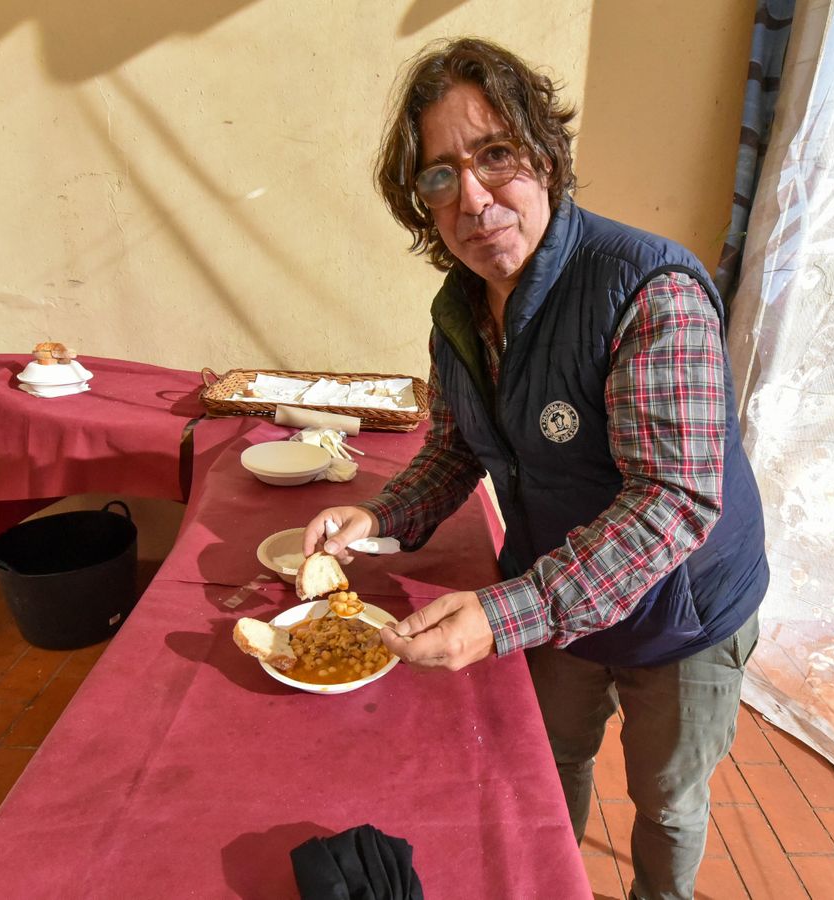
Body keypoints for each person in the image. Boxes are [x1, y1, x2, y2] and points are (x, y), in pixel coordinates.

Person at [302, 37, 768, 900]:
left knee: (667, 799)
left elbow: (674, 500)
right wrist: (379, 517)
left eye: (495, 156)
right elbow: (453, 446)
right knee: (552, 767)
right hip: (558, 599)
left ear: (546, 157)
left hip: (685, 609)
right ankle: (559, 881)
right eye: (440, 176)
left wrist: (509, 611)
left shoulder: (648, 290)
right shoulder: (460, 310)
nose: (474, 198)